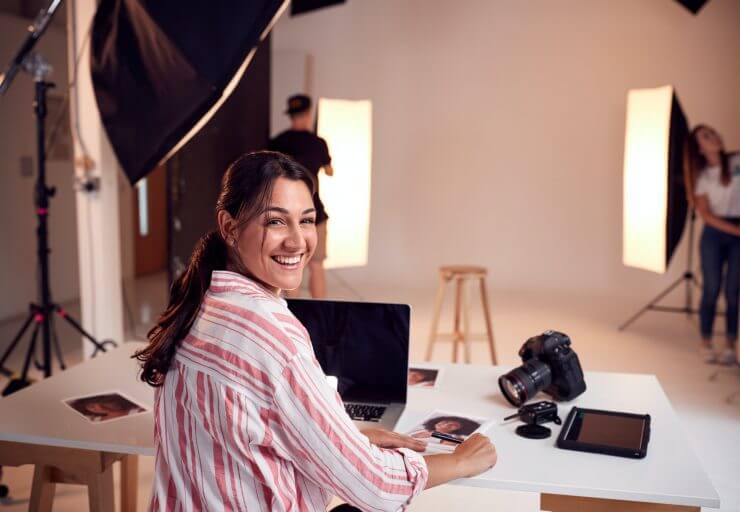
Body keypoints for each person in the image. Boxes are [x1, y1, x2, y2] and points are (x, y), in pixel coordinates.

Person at [134, 152, 496, 511]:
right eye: (276, 222)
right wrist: (461, 461)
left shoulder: (197, 306)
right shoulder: (273, 337)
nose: (297, 242)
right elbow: (377, 488)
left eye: (306, 221)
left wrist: (344, 437)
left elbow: (235, 432)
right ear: (229, 227)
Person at [686, 125, 740, 365]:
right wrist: (735, 230)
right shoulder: (703, 177)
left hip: (739, 229)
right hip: (715, 234)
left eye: (713, 132)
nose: (714, 138)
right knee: (711, 289)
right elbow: (706, 214)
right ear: (700, 149)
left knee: (733, 291)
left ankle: (731, 342)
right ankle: (706, 341)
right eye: (706, 137)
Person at [269, 94, 333, 298]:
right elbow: (330, 171)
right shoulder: (318, 143)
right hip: (314, 212)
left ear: (290, 115)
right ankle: (320, 316)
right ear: (308, 114)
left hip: (285, 215)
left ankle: (292, 320)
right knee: (317, 266)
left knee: (291, 268)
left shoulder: (277, 142)